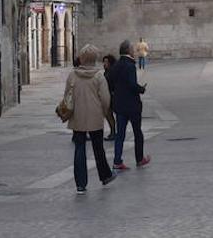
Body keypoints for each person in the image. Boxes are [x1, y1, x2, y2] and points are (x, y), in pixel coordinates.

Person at [65, 44, 116, 194]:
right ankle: (105, 175)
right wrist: (103, 111)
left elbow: (67, 95)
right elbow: (106, 99)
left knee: (79, 148)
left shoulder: (72, 75)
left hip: (78, 116)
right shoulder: (99, 76)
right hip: (95, 116)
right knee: (98, 147)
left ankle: (80, 184)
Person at [109, 39, 151, 170]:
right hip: (132, 105)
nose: (134, 51)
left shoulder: (116, 65)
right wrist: (141, 89)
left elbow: (109, 81)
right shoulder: (130, 65)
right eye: (132, 49)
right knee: (137, 132)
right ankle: (139, 159)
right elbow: (132, 85)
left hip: (119, 105)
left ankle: (117, 160)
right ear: (128, 50)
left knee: (120, 134)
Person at [101, 54, 118, 140]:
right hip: (108, 95)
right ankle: (113, 132)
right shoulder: (107, 71)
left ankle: (113, 132)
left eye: (106, 62)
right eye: (104, 62)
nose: (104, 63)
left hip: (112, 96)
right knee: (109, 115)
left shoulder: (111, 71)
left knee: (109, 115)